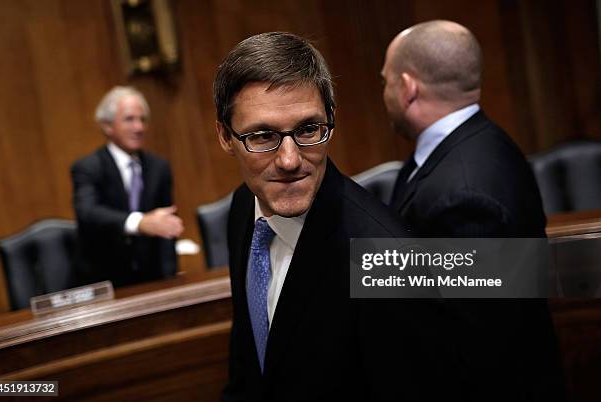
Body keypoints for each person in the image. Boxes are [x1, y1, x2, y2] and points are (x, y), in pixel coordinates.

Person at [215, 32, 449, 402]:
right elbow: (250, 367)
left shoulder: (389, 259)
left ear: (330, 122)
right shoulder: (243, 208)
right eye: (262, 136)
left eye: (308, 129)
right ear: (226, 137)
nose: (290, 160)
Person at [381, 20, 565, 401]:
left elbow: (477, 345)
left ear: (408, 87)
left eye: (385, 81)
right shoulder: (482, 142)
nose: (384, 92)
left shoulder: (464, 196)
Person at [71, 86, 183, 287]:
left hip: (152, 280)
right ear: (107, 126)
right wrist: (138, 222)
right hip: (103, 282)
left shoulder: (158, 167)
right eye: (129, 119)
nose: (139, 127)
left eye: (142, 120)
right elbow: (87, 212)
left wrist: (170, 278)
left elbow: (165, 225)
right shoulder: (88, 167)